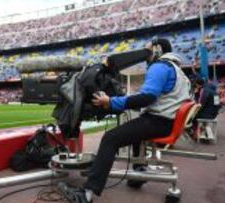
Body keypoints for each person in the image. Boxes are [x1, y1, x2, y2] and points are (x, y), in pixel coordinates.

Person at [58, 38, 191, 203]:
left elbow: (147, 97)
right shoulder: (178, 70)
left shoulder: (160, 66)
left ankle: (87, 194)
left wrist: (111, 102)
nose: (144, 55)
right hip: (166, 121)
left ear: (157, 50)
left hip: (159, 121)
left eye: (147, 51)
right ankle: (138, 172)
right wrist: (124, 101)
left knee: (110, 138)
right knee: (135, 125)